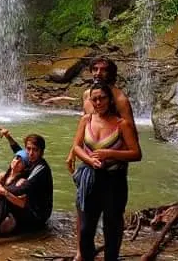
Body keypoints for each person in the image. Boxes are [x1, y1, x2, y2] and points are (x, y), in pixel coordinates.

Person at [71, 82, 142, 261]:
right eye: (94, 99)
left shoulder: (122, 124)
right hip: (90, 178)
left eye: (101, 98)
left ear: (110, 100)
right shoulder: (86, 120)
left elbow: (136, 154)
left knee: (111, 227)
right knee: (86, 228)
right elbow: (77, 147)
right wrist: (89, 160)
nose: (97, 102)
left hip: (113, 180)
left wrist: (110, 153)